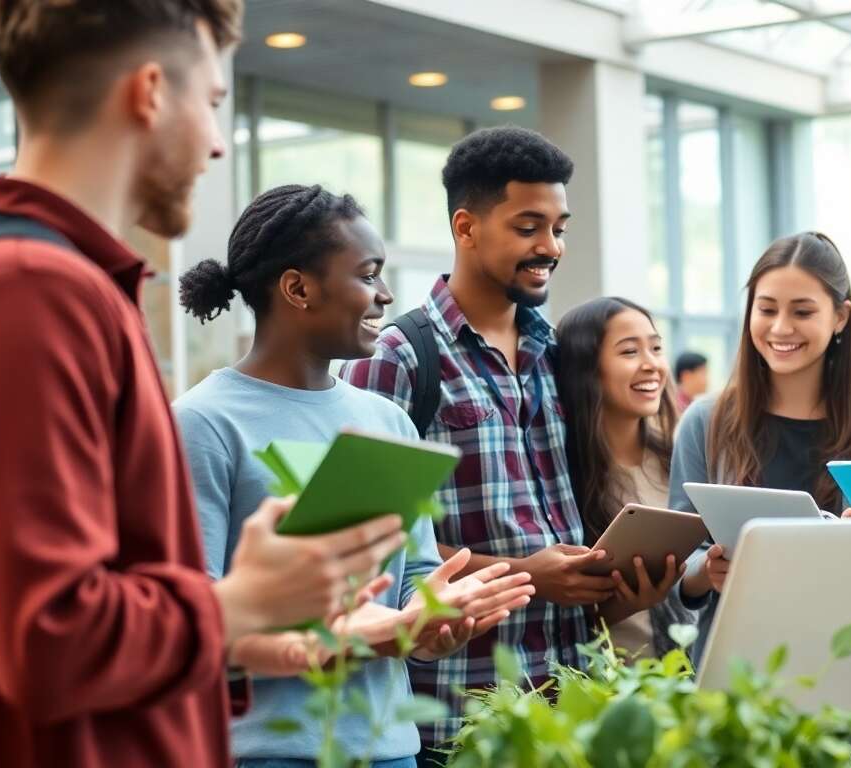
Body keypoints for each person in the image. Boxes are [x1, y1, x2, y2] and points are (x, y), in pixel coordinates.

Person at [0, 4, 406, 767]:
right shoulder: (29, 290)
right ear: (151, 93)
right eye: (215, 104)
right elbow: (46, 636)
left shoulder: (64, 287)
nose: (219, 143)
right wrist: (243, 602)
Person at [174, 185, 536, 767]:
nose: (386, 295)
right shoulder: (202, 425)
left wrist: (435, 616)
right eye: (368, 275)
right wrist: (383, 632)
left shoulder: (385, 417)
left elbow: (410, 576)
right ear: (297, 289)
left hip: (390, 749)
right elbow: (192, 631)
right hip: (268, 754)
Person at [341, 126, 612, 762]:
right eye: (528, 227)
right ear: (466, 228)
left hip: (571, 707)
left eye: (559, 227)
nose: (551, 247)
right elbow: (368, 548)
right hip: (459, 719)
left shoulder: (555, 353)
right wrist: (526, 576)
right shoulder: (398, 357)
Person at [669, 232, 851, 661]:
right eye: (766, 309)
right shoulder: (705, 423)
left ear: (840, 317)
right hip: (737, 670)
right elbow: (676, 561)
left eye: (802, 311)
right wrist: (706, 572)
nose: (781, 328)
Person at [557, 297, 697, 660]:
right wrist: (629, 601)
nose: (651, 365)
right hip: (606, 691)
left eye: (656, 347)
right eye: (630, 352)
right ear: (586, 369)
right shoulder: (560, 478)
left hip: (695, 682)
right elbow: (563, 616)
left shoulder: (678, 459)